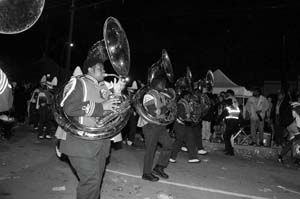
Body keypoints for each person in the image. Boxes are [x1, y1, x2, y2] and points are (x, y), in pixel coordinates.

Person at [58, 44, 126, 199]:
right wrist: (101, 107)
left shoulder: (103, 87)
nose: (104, 71)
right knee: (91, 182)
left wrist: (117, 93)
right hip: (81, 143)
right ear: (89, 69)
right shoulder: (79, 83)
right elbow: (68, 107)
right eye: (100, 68)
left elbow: (113, 111)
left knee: (96, 183)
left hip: (101, 143)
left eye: (103, 68)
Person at [137, 77, 174, 182]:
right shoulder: (148, 96)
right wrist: (167, 107)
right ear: (157, 84)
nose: (164, 86)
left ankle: (159, 167)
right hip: (150, 125)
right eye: (163, 84)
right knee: (151, 149)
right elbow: (154, 112)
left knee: (168, 144)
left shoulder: (161, 95)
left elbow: (163, 111)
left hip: (160, 125)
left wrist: (169, 107)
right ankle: (146, 173)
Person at [169, 91, 200, 163]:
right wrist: (191, 118)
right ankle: (171, 157)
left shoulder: (188, 104)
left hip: (186, 125)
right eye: (189, 96)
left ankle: (193, 157)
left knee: (191, 140)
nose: (190, 98)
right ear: (185, 96)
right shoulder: (181, 104)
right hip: (180, 125)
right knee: (179, 141)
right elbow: (182, 116)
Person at [218, 89, 241, 156]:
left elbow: (223, 114)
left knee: (227, 136)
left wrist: (217, 121)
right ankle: (228, 149)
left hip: (230, 123)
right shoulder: (234, 105)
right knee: (227, 136)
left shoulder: (230, 104)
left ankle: (230, 151)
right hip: (233, 123)